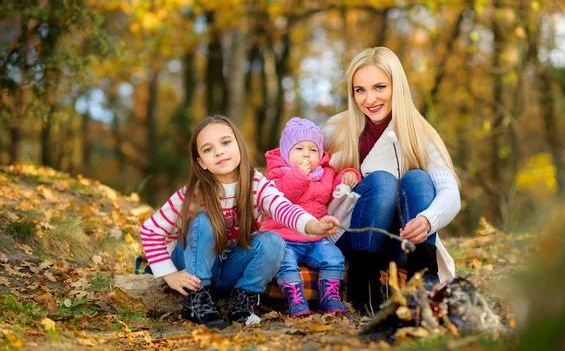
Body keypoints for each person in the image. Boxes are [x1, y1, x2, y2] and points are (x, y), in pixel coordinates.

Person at [140, 115, 339, 328]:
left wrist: (313, 226)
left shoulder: (255, 183)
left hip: (229, 269)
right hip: (193, 268)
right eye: (208, 149)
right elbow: (150, 231)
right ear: (201, 162)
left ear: (239, 146)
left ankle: (242, 299)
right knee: (204, 221)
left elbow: (282, 208)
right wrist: (169, 274)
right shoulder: (193, 193)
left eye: (226, 142)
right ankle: (198, 299)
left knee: (274, 240)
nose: (219, 151)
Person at [322, 47, 461, 314]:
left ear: (396, 85)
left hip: (402, 241)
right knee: (383, 181)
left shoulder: (418, 132)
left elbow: (450, 192)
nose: (369, 98)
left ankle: (422, 280)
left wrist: (427, 220)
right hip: (352, 238)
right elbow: (298, 168)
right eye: (360, 90)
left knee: (419, 179)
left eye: (380, 87)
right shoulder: (335, 129)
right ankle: (363, 285)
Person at [262, 117, 361, 317]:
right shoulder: (276, 173)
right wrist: (298, 175)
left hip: (315, 239)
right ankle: (295, 299)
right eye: (299, 149)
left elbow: (336, 190)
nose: (306, 154)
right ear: (285, 152)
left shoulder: (325, 173)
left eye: (313, 149)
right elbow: (281, 196)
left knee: (334, 257)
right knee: (285, 262)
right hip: (284, 238)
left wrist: (349, 175)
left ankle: (329, 297)